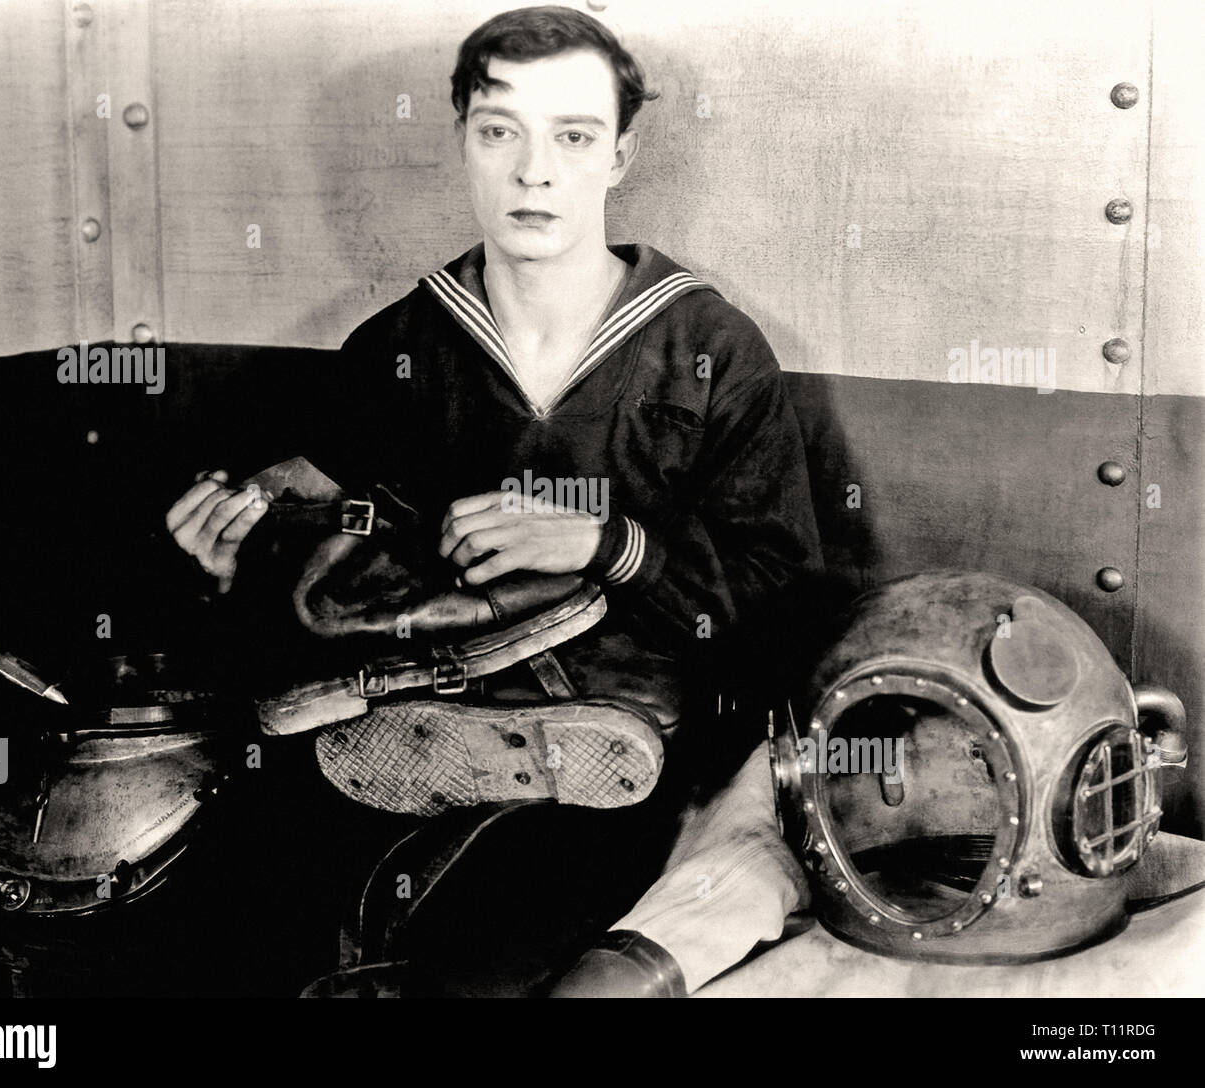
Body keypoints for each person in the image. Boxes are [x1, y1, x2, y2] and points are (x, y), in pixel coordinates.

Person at [164, 5, 823, 995]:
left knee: (493, 961)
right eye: (498, 131)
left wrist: (608, 545)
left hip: (625, 757)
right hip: (408, 713)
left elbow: (784, 602)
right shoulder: (400, 345)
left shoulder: (706, 345)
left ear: (620, 156)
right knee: (223, 920)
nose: (533, 171)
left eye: (572, 136)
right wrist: (233, 560)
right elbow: (326, 569)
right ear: (462, 141)